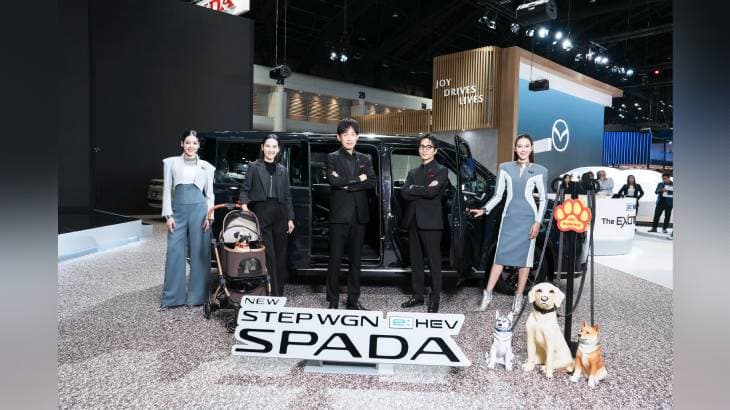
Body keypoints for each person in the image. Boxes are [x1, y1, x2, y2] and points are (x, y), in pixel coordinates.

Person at [468, 134, 547, 314]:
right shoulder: (505, 168)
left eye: (526, 146)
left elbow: (543, 199)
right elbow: (498, 195)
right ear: (515, 149)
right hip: (509, 218)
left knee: (525, 261)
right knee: (499, 258)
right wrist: (484, 209)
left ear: (531, 148)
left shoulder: (540, 170)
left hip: (528, 219)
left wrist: (537, 222)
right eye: (520, 146)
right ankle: (487, 295)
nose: (523, 149)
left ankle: (518, 297)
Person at [160, 130, 215, 310]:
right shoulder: (170, 163)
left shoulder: (207, 167)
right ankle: (172, 298)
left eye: (194, 143)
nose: (191, 146)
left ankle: (197, 298)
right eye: (188, 142)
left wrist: (210, 215)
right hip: (177, 212)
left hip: (200, 212)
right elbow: (167, 190)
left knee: (200, 253)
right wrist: (168, 215)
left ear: (199, 145)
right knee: (174, 252)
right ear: (181, 143)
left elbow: (210, 195)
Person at [325, 118, 376, 310]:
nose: (349, 138)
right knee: (335, 260)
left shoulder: (364, 159)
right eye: (345, 134)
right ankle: (333, 301)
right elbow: (334, 181)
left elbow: (372, 181)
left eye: (353, 134)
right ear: (339, 137)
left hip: (359, 216)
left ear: (357, 137)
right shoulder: (332, 157)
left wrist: (348, 183)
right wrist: (358, 179)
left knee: (356, 261)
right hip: (339, 216)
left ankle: (353, 300)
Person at [239, 134, 295, 297]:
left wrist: (290, 218)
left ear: (278, 149)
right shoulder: (253, 166)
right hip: (262, 211)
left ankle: (278, 295)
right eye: (268, 146)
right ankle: (269, 293)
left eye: (274, 147)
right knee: (268, 254)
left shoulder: (283, 170)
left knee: (281, 255)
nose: (271, 149)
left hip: (281, 213)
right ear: (262, 147)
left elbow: (287, 196)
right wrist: (244, 206)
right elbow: (245, 189)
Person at [399, 135, 450, 313]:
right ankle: (418, 296)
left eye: (428, 147)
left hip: (432, 223)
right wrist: (424, 189)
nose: (424, 150)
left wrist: (414, 189)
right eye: (422, 146)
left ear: (435, 150)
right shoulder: (413, 172)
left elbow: (433, 192)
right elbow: (404, 193)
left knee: (434, 263)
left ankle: (435, 299)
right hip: (414, 221)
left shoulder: (442, 170)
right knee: (416, 262)